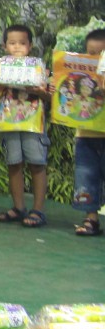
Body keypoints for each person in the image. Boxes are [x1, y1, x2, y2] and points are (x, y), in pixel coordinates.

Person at [0, 23, 50, 228]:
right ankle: (18, 207)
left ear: (30, 45)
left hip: (33, 122)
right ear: (5, 45)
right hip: (9, 122)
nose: (17, 47)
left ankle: (38, 210)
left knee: (37, 163)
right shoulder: (1, 66)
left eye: (22, 43)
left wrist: (39, 91)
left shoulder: (38, 66)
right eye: (12, 43)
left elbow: (50, 97)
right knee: (14, 163)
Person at [72, 29, 105, 237]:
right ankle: (91, 218)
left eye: (101, 54)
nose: (97, 58)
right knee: (85, 174)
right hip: (85, 133)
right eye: (91, 53)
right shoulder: (80, 74)